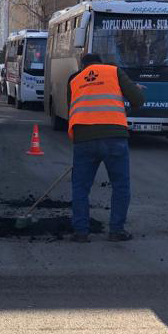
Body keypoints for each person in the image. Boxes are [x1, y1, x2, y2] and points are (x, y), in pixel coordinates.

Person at [66, 53, 145, 243]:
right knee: (120, 186)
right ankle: (116, 231)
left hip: (84, 139)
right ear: (100, 63)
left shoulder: (75, 79)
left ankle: (81, 232)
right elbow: (138, 100)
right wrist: (134, 91)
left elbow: (74, 107)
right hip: (114, 137)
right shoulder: (114, 71)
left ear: (83, 65)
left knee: (80, 188)